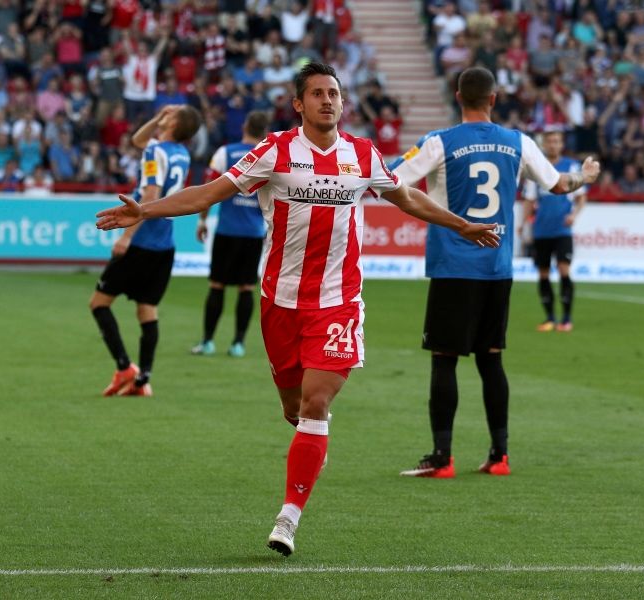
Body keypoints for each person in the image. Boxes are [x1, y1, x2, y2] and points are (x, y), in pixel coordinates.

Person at [94, 62, 500, 556]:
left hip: (338, 302)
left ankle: (288, 516)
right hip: (280, 302)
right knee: (294, 407)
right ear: (299, 104)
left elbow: (408, 198)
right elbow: (210, 192)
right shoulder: (274, 152)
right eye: (318, 94)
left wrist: (461, 225)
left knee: (315, 402)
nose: (328, 100)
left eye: (335, 93)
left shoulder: (362, 154)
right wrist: (145, 209)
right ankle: (312, 446)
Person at [390, 67, 600, 480]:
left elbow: (391, 179)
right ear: (495, 99)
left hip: (453, 266)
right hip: (497, 269)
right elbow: (559, 184)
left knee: (444, 359)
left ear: (457, 97)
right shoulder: (518, 142)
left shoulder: (438, 142)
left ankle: (442, 457)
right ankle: (499, 455)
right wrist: (586, 177)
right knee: (491, 360)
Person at [89, 104, 202, 398]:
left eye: (173, 114)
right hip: (165, 243)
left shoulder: (156, 152)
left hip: (141, 241)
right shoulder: (180, 153)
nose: (168, 114)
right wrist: (157, 119)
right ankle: (144, 380)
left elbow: (149, 194)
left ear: (175, 124)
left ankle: (126, 367)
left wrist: (126, 237)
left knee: (99, 304)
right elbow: (139, 141)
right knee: (146, 308)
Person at [191, 110, 270, 358]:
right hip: (254, 233)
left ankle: (207, 342)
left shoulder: (225, 153)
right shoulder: (268, 157)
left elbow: (209, 191)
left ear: (245, 125)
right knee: (246, 288)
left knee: (217, 285)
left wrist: (202, 221)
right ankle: (238, 344)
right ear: (265, 133)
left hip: (227, 230)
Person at [519, 129, 588, 332]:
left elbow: (581, 197)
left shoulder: (571, 166)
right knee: (543, 273)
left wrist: (574, 215)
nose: (553, 144)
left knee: (564, 269)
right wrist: (523, 224)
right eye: (550, 141)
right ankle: (549, 317)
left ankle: (566, 318)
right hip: (541, 229)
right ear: (545, 144)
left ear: (561, 144)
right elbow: (529, 200)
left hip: (562, 229)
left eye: (557, 141)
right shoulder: (537, 169)